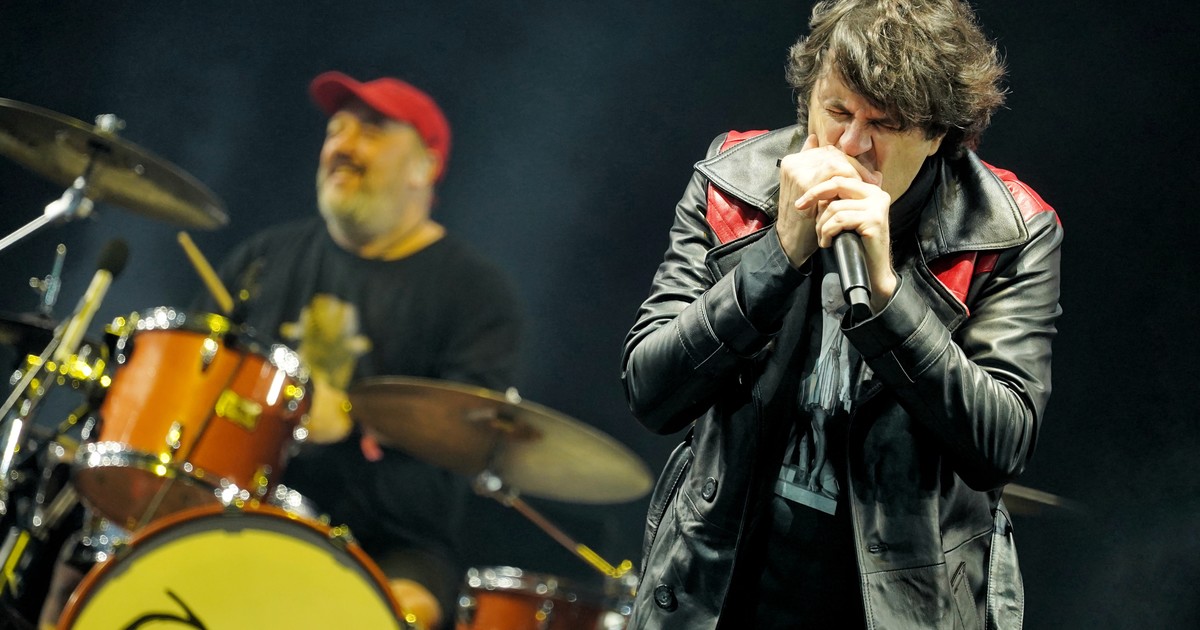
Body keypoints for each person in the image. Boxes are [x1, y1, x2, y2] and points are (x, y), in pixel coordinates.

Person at [620, 1, 1061, 628]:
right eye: (837, 112)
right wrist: (778, 255)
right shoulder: (734, 182)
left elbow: (1001, 445)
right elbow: (651, 391)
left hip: (902, 610)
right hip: (717, 597)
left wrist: (887, 299)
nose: (852, 145)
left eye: (884, 123)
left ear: (939, 134)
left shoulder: (1007, 232)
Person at [206, 71, 523, 628]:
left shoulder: (476, 295)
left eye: (371, 131)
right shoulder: (264, 259)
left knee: (405, 612)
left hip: (387, 542)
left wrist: (349, 422)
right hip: (239, 503)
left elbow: (441, 487)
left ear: (424, 167)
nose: (342, 146)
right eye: (336, 130)